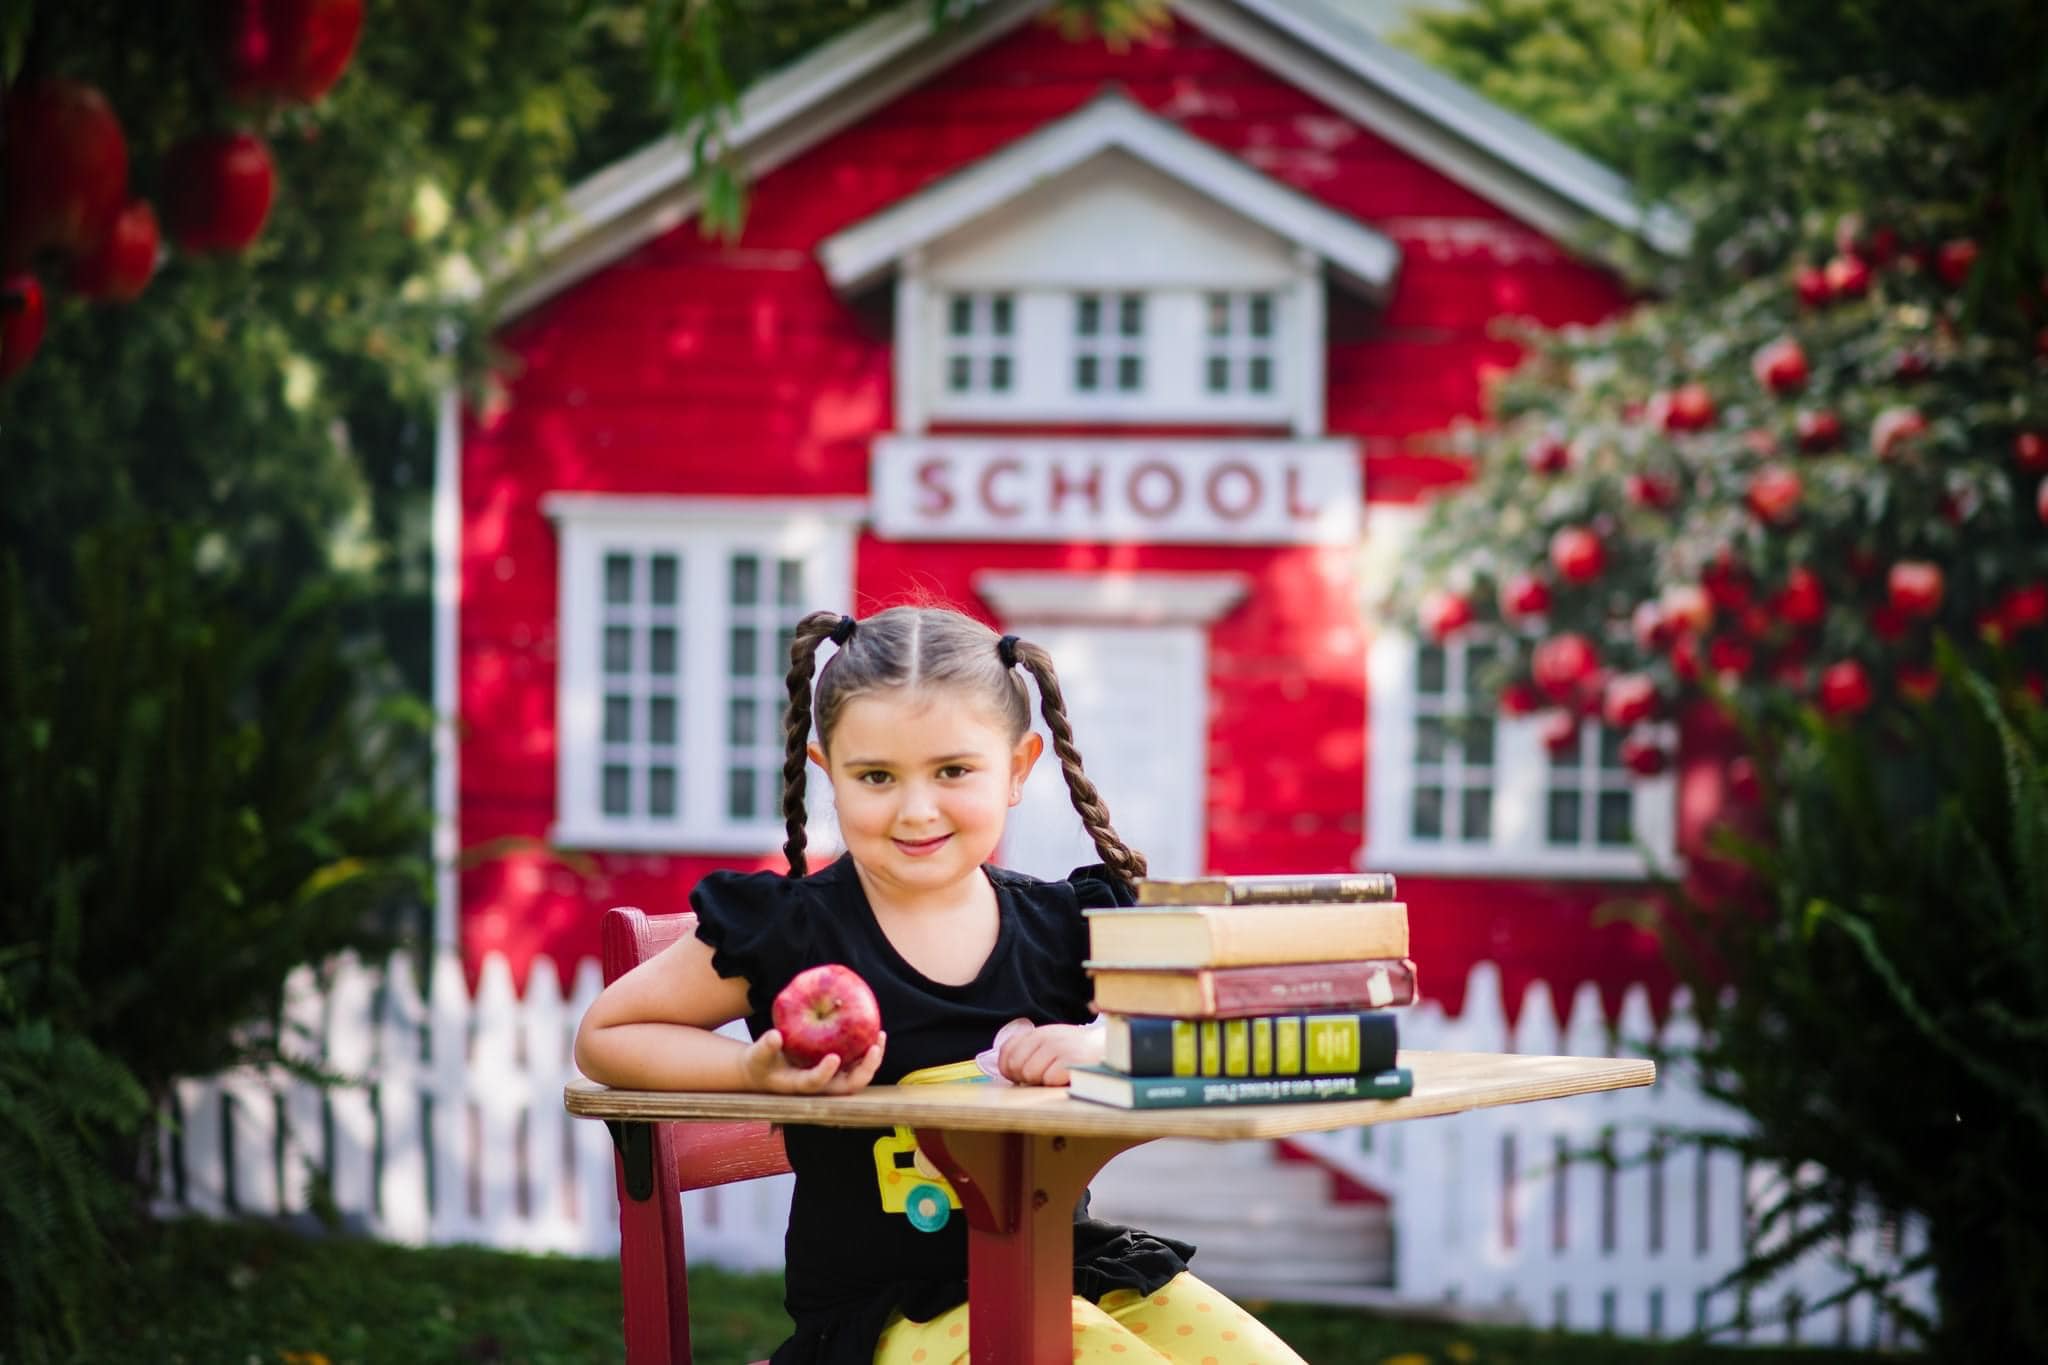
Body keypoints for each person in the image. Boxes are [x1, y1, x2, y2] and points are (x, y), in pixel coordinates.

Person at [575, 604, 1307, 1365]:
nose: (916, 808)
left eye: (953, 770)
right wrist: (748, 1070)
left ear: (1020, 767)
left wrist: (1106, 1042)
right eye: (877, 775)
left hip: (1060, 1272)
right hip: (883, 1319)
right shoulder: (793, 930)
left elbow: (1226, 1029)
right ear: (829, 772)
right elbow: (606, 1035)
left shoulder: (1072, 928)